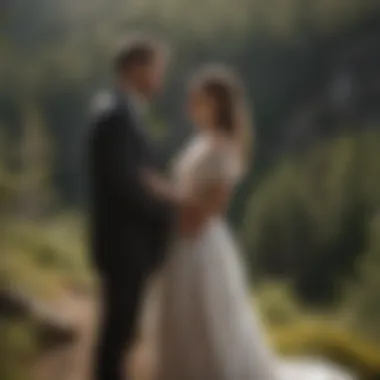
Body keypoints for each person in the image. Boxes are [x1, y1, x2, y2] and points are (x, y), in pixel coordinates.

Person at [137, 66, 355, 380]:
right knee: (184, 319)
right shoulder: (205, 140)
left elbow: (212, 206)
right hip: (184, 239)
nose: (191, 106)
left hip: (199, 244)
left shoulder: (224, 147)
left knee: (207, 319)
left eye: (198, 100)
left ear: (216, 103)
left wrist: (163, 194)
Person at [86, 35, 202, 380]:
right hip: (124, 244)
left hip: (128, 243)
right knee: (118, 331)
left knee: (123, 330)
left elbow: (138, 176)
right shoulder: (115, 115)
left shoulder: (122, 111)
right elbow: (126, 184)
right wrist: (168, 213)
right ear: (135, 68)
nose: (160, 79)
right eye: (156, 69)